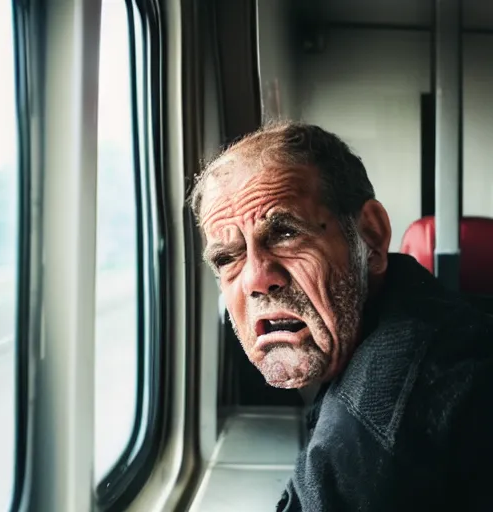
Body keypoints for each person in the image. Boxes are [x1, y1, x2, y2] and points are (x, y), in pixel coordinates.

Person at [189, 121, 493, 511]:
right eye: (227, 258)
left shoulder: (379, 422)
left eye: (285, 234)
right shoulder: (422, 313)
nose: (256, 278)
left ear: (371, 235)